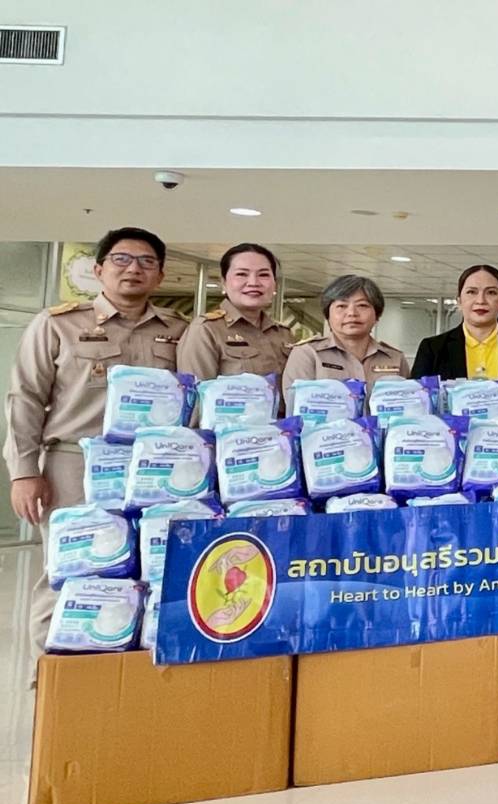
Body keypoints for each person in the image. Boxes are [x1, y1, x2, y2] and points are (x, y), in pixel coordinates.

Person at [7, 227, 186, 655]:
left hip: (155, 466)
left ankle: (125, 672)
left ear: (160, 275)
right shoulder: (58, 324)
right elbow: (25, 397)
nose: (133, 269)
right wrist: (24, 472)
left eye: (146, 262)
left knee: (149, 567)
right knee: (71, 568)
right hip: (75, 464)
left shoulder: (178, 330)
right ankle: (52, 676)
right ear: (99, 269)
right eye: (122, 259)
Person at [176, 243, 293, 380]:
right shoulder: (205, 330)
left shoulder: (283, 334)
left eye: (263, 275)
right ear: (224, 283)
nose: (253, 282)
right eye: (241, 274)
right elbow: (194, 390)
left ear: (275, 284)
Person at [410, 264, 498, 381]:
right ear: (459, 301)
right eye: (471, 292)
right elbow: (418, 397)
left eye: (491, 292)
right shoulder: (433, 349)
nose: (481, 300)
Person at [280, 275, 408, 397]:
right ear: (328, 315)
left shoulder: (395, 358)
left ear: (377, 316)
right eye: (342, 306)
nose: (352, 313)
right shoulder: (307, 354)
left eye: (362, 305)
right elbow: (296, 404)